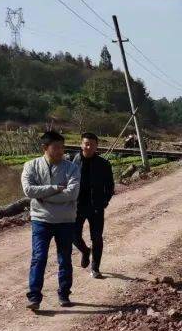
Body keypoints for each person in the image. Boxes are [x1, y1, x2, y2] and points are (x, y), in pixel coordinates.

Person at [21, 130, 80, 311]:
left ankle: (64, 293)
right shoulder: (31, 166)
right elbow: (29, 191)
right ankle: (34, 297)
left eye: (62, 147)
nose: (60, 151)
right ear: (45, 148)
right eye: (56, 147)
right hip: (41, 219)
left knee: (65, 258)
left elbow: (72, 193)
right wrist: (55, 188)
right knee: (39, 258)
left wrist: (44, 196)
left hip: (65, 220)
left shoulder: (72, 168)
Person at [73, 132, 115, 278]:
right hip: (76, 206)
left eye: (92, 144)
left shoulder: (104, 164)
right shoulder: (72, 162)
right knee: (73, 235)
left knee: (96, 237)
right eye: (86, 143)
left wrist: (104, 201)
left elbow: (110, 186)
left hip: (96, 206)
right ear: (81, 144)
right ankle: (85, 251)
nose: (89, 147)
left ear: (96, 146)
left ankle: (95, 267)